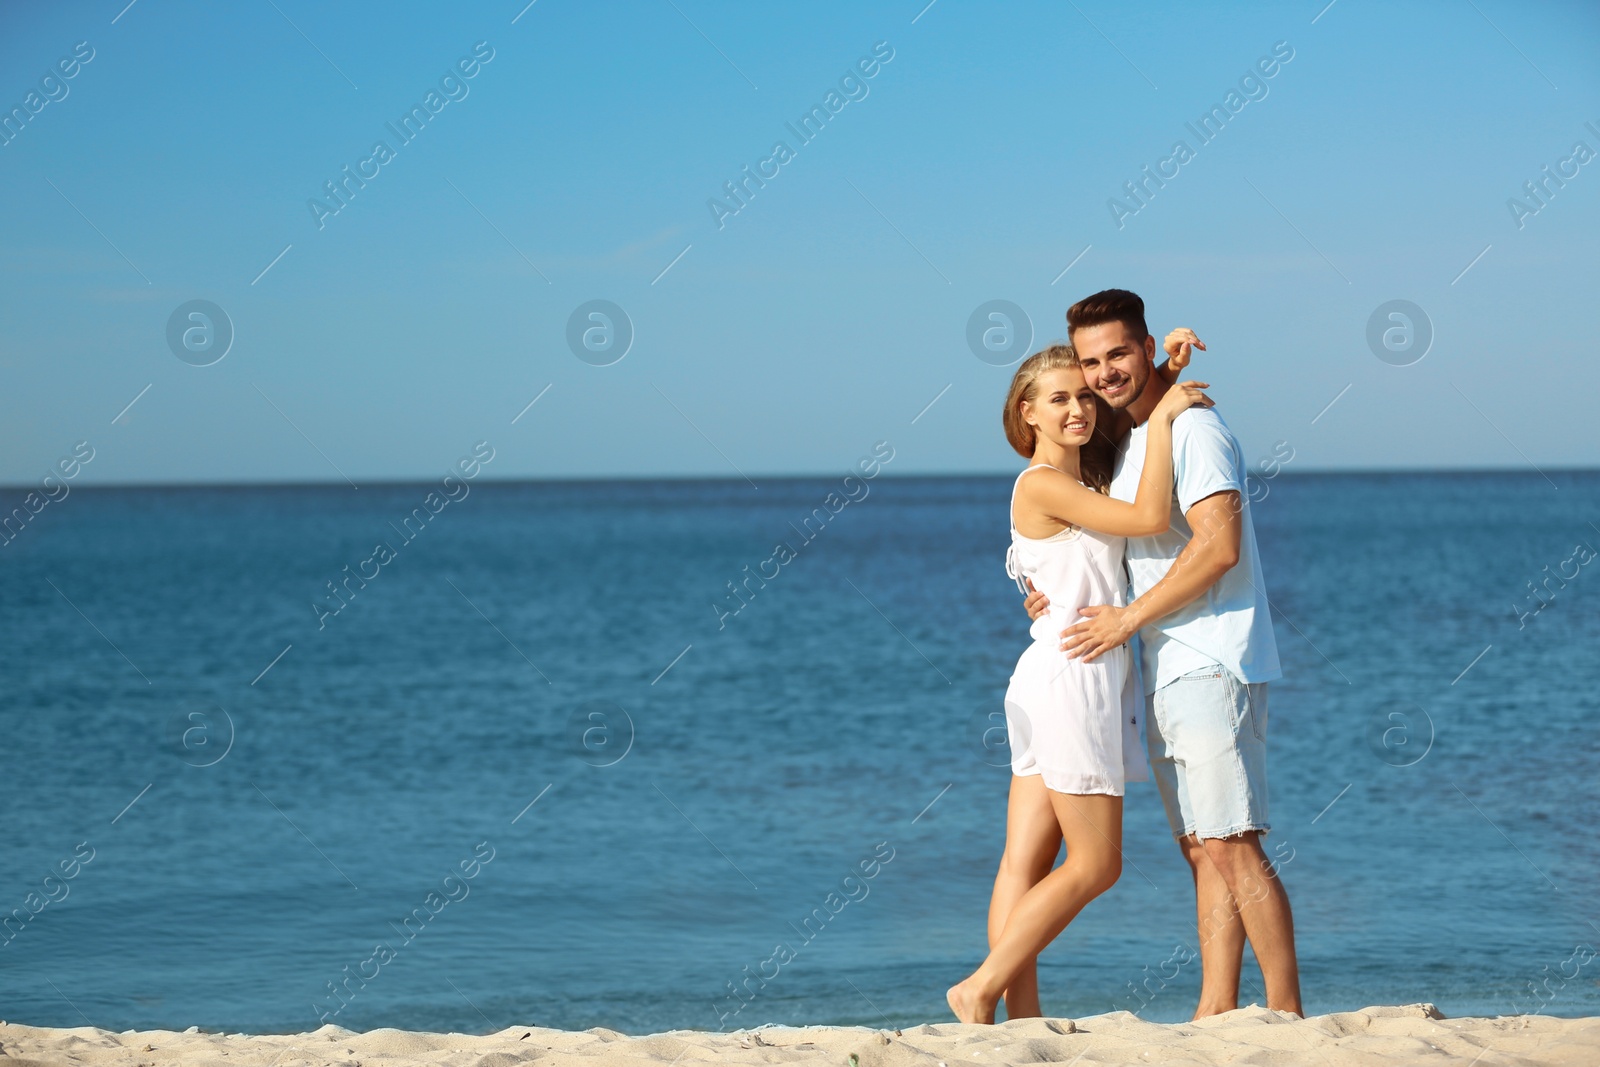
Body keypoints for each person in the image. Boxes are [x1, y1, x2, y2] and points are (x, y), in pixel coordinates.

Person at [1029, 288, 1303, 1019]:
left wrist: (1126, 620)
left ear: (1145, 346)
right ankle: (1216, 1009)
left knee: (1234, 843)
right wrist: (1045, 590)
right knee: (1204, 847)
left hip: (1210, 656)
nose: (1104, 373)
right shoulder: (1143, 434)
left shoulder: (1195, 430)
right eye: (1092, 361)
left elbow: (1219, 545)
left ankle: (1288, 1015)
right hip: (1166, 664)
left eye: (1119, 352)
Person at [946, 343, 1213, 1025]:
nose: (1078, 408)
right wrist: (1167, 420)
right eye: (1059, 397)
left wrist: (1165, 374)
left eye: (1084, 395)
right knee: (1097, 863)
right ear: (1026, 411)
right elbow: (1153, 517)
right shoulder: (1040, 482)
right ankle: (981, 986)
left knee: (1024, 860)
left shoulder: (1080, 479)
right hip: (1074, 677)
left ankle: (1021, 1016)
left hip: (1051, 672)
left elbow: (1064, 561)